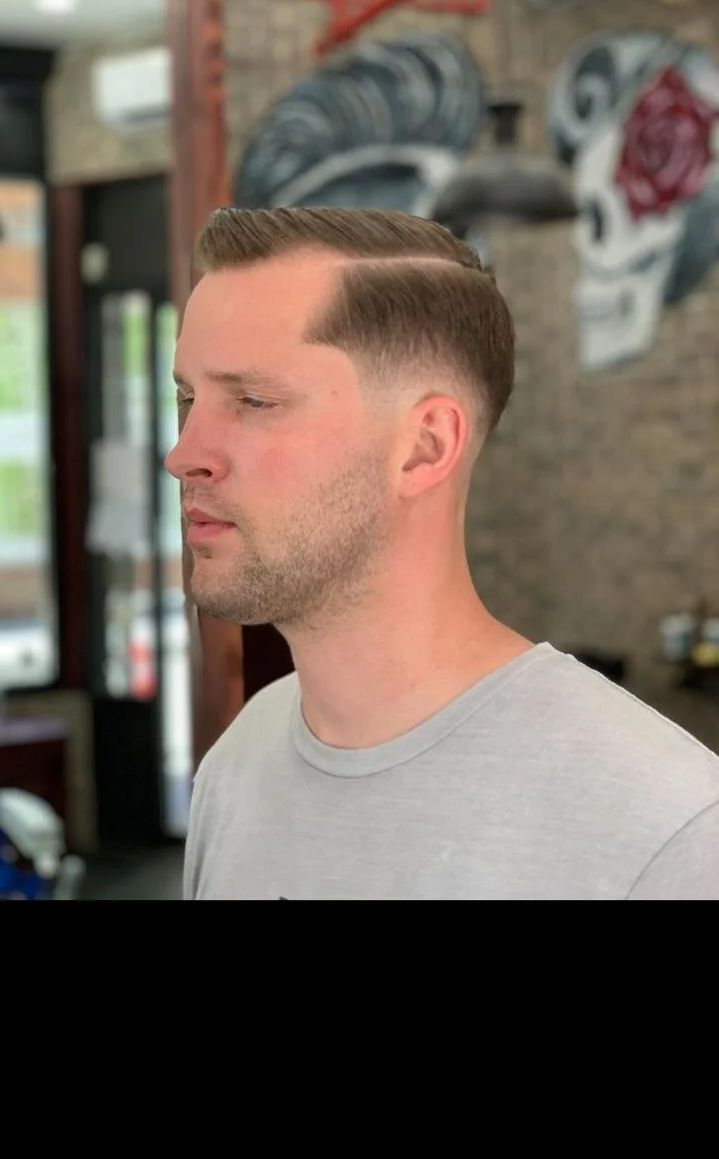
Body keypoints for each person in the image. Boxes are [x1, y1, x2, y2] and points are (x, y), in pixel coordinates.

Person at [166, 205, 719, 900]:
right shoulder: (237, 769)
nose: (184, 454)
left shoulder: (666, 831)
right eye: (189, 398)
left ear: (425, 447)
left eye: (252, 400)